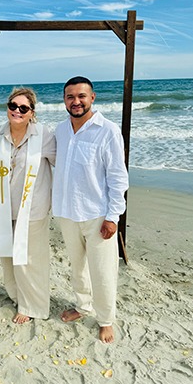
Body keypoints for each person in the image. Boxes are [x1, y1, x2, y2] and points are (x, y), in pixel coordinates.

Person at [52, 76, 128, 343]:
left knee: (103, 271)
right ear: (64, 100)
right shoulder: (60, 130)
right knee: (77, 267)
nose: (76, 101)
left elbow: (118, 176)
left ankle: (106, 319)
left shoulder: (107, 130)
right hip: (66, 212)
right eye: (70, 97)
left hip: (97, 215)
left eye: (81, 96)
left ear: (92, 98)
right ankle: (83, 306)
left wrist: (113, 217)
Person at [0, 87, 56, 324]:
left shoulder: (43, 135)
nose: (17, 111)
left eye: (23, 108)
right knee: (7, 256)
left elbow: (62, 163)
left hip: (33, 207)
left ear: (32, 112)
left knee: (29, 259)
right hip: (4, 205)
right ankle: (16, 296)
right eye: (13, 106)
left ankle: (31, 305)